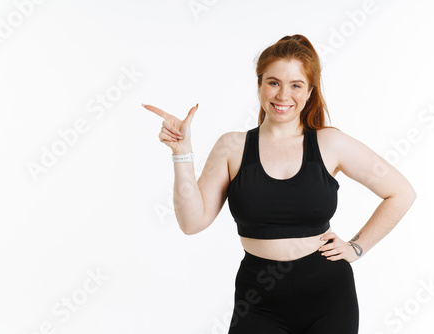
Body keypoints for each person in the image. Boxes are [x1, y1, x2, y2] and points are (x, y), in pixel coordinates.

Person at [144, 34, 416, 334]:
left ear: (310, 91)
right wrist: (182, 155)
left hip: (329, 296)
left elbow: (400, 192)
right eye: (273, 82)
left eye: (296, 85)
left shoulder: (331, 144)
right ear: (259, 85)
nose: (283, 95)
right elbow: (192, 223)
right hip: (259, 299)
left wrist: (357, 247)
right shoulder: (231, 147)